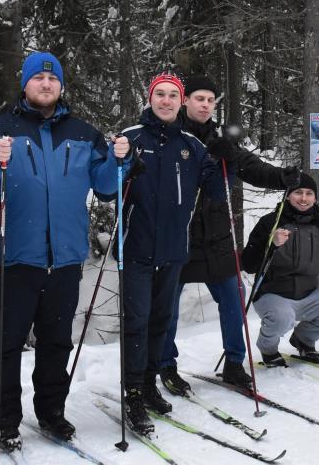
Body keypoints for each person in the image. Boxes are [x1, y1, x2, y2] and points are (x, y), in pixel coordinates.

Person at [0, 52, 131, 451]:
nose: (45, 84)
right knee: (6, 343)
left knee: (56, 341)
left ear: (60, 86)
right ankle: (5, 421)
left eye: (52, 79)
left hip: (66, 259)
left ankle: (51, 412)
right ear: (24, 85)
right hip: (14, 257)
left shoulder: (83, 132)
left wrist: (121, 159)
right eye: (37, 78)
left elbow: (106, 186)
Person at [157, 74, 301, 395]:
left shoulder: (221, 138)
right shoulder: (170, 135)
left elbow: (251, 166)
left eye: (210, 100)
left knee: (233, 299)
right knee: (167, 305)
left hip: (218, 236)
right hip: (179, 236)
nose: (205, 105)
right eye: (199, 99)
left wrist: (281, 177)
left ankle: (235, 364)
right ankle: (166, 364)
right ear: (185, 101)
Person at [115, 71, 229, 435]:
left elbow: (215, 192)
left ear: (181, 103)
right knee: (137, 323)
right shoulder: (131, 137)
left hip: (173, 251)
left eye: (172, 96)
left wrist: (222, 159)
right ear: (150, 99)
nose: (166, 101)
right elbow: (105, 189)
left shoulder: (191, 146)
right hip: (135, 249)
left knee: (159, 323)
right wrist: (119, 163)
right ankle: (132, 391)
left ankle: (148, 384)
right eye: (160, 95)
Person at [240, 173, 319, 367]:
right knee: (283, 318)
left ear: (315, 197)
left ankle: (303, 339)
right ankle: (268, 348)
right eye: (298, 192)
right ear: (288, 195)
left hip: (308, 294)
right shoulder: (270, 222)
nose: (304, 198)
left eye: (309, 193)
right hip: (272, 294)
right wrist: (271, 244)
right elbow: (247, 264)